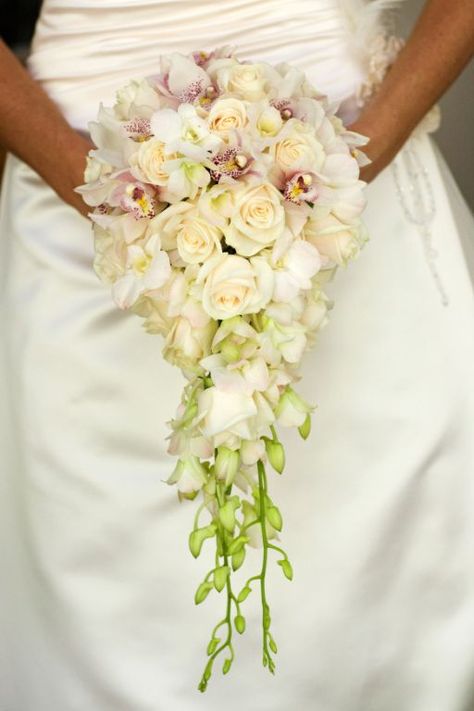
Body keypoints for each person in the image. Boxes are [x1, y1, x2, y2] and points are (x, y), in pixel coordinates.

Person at [0, 1, 473, 709]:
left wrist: (344, 173)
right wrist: (112, 198)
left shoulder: (345, 177)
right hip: (81, 218)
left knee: (374, 611)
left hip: (345, 194)